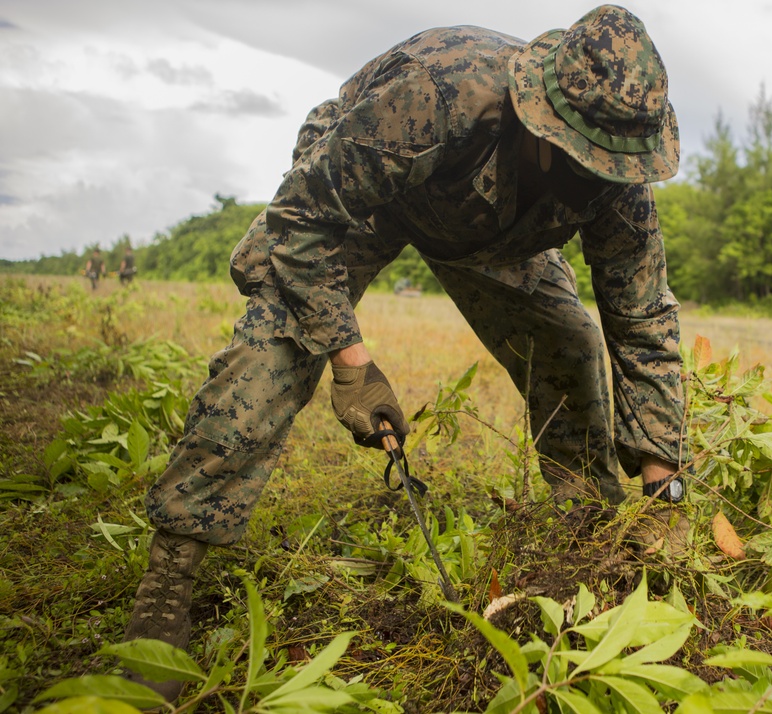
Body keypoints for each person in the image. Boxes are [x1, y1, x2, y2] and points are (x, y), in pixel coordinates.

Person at [123, 5, 687, 701]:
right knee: (270, 359)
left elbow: (644, 321)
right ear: (542, 121)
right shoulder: (434, 92)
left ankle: (589, 544)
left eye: (615, 168)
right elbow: (302, 223)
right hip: (355, 204)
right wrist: (350, 361)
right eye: (586, 163)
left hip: (488, 236)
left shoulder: (618, 175)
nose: (602, 180)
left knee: (568, 348)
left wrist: (666, 490)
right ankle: (168, 584)